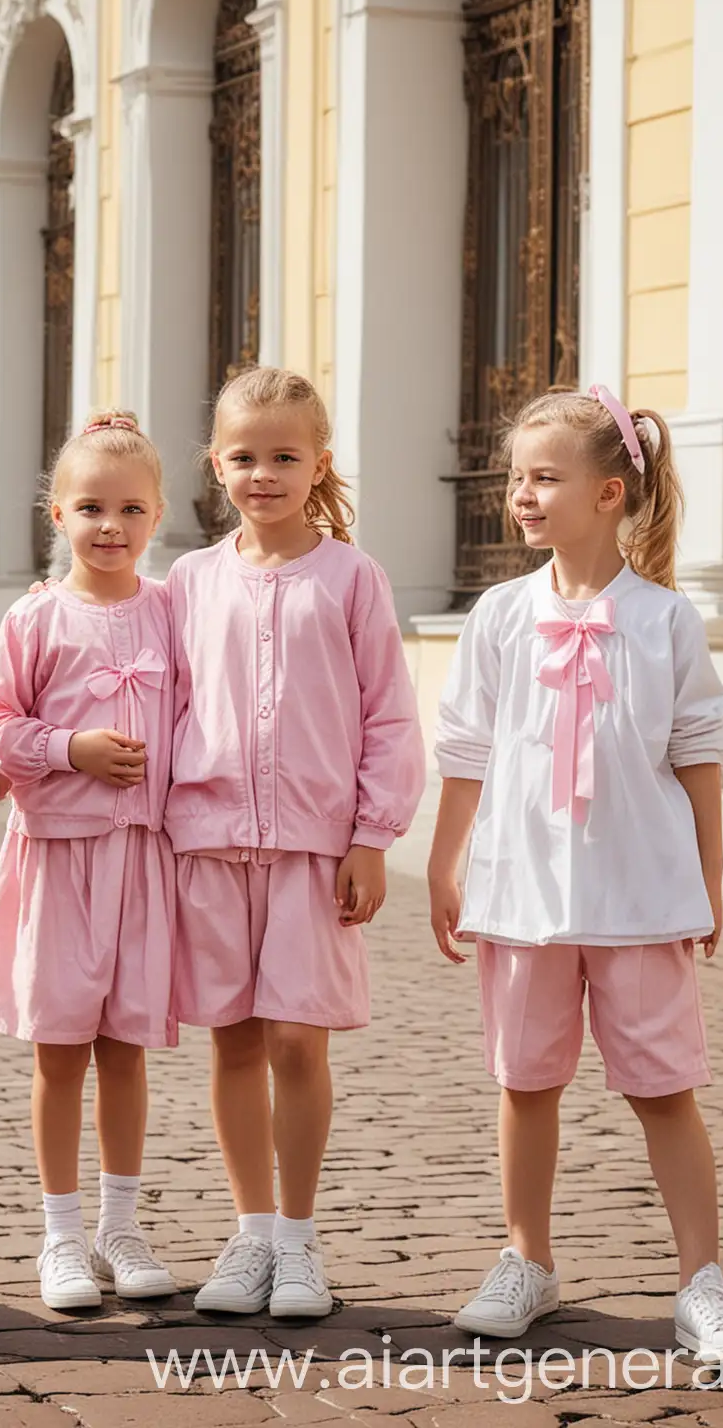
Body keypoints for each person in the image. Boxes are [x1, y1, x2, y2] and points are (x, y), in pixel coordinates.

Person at [426, 385, 723, 1363]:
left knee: (665, 1088)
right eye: (515, 479)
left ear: (610, 493)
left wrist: (709, 876)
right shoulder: (497, 615)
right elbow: (466, 747)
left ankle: (703, 1280)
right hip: (522, 893)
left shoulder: (665, 620)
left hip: (641, 893)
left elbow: (701, 754)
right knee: (525, 1082)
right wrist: (448, 865)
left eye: (544, 478)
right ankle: (526, 1258)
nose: (522, 495)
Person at [166, 367, 426, 1319]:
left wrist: (373, 836)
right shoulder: (187, 582)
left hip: (317, 849)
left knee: (297, 1041)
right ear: (216, 465)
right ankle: (249, 1234)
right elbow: (164, 706)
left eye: (284, 456)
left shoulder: (354, 579)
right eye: (244, 457)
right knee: (232, 1042)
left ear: (320, 465)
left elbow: (389, 716)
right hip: (208, 844)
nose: (263, 473)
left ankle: (301, 1242)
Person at [0, 413, 179, 1313]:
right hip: (59, 863)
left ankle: (120, 1226)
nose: (110, 526)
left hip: (142, 862)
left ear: (158, 514)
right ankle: (59, 1236)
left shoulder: (173, 609)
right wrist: (69, 750)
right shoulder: (34, 616)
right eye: (90, 506)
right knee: (61, 1053)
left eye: (130, 509)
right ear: (56, 514)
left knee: (126, 1049)